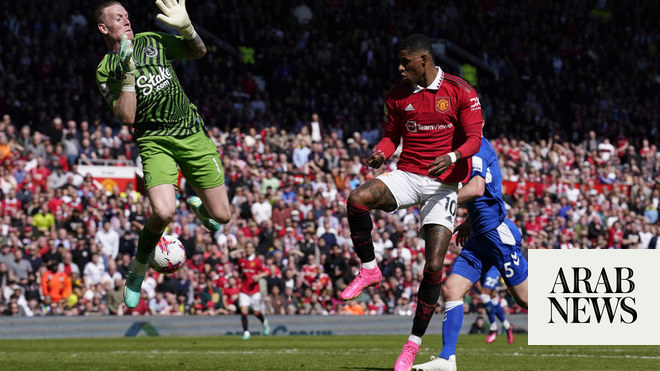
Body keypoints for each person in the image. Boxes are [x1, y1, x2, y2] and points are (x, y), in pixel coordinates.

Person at [334, 33, 483, 371]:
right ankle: (370, 269)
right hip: (408, 175)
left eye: (405, 62)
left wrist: (454, 155)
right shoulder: (397, 95)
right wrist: (380, 153)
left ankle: (413, 344)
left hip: (443, 186)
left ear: (424, 61)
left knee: (433, 267)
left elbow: (475, 138)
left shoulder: (461, 91)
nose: (400, 68)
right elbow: (391, 137)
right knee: (356, 199)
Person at [94, 0, 231, 309]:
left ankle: (199, 206)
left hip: (191, 133)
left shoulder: (151, 41)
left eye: (127, 16)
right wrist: (128, 74)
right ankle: (138, 268)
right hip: (155, 141)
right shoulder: (106, 69)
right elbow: (127, 117)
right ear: (104, 28)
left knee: (222, 216)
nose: (127, 21)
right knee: (164, 212)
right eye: (118, 18)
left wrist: (187, 29)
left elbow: (198, 52)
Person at [412, 137, 528, 371]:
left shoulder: (478, 146)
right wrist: (470, 221)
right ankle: (447, 359)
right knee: (451, 289)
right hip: (478, 237)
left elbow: (477, 188)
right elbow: (486, 195)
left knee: (526, 300)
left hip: (496, 236)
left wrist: (435, 198)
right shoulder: (466, 150)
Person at [230, 243, 270, 340]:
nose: (248, 250)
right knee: (244, 311)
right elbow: (231, 255)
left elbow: (267, 272)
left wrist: (259, 276)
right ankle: (246, 332)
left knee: (256, 312)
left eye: (250, 248)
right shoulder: (241, 260)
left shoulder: (257, 261)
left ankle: (264, 322)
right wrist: (240, 250)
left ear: (253, 249)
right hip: (244, 290)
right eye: (247, 248)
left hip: (255, 291)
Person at [480, 266, 514, 344]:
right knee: (492, 298)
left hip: (493, 267)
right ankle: (507, 326)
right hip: (483, 267)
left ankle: (493, 328)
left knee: (484, 295)